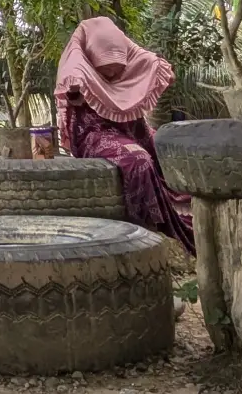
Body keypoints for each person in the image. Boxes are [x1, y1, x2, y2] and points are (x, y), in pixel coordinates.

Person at [54, 17, 195, 254]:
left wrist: (155, 72)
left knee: (169, 146)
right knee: (138, 160)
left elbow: (153, 64)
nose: (113, 72)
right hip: (94, 135)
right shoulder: (78, 69)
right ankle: (148, 221)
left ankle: (183, 209)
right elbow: (71, 76)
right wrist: (78, 84)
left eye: (118, 65)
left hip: (132, 130)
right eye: (106, 66)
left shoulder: (128, 55)